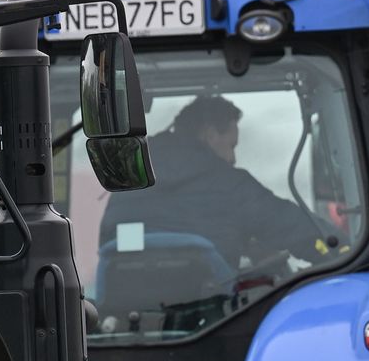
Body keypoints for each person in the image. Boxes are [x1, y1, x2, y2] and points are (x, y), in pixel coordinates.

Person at [98, 94, 321, 272]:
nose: (233, 158)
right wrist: (335, 248)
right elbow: (295, 228)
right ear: (211, 134)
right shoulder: (231, 185)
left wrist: (240, 239)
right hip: (209, 306)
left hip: (125, 307)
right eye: (232, 145)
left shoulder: (129, 178)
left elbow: (111, 239)